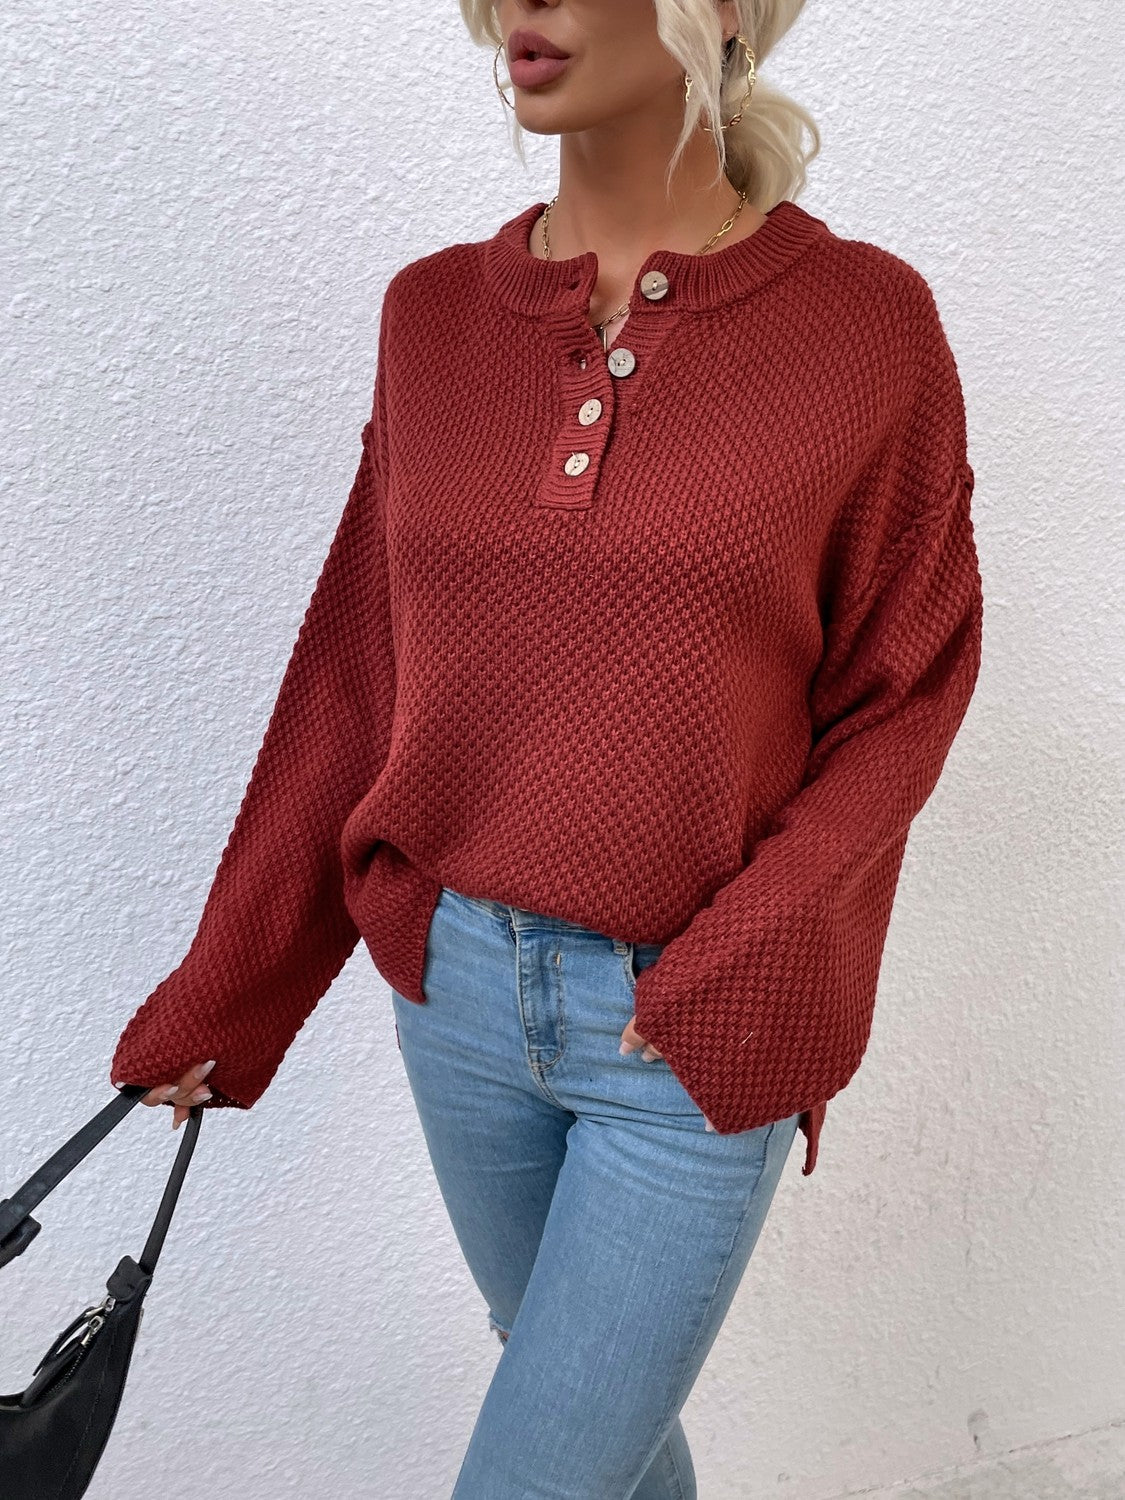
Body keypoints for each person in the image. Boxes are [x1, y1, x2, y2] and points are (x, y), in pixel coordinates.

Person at [109, 1, 984, 1494]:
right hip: (453, 997)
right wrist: (230, 982)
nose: (527, 5)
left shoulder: (865, 325)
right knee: (600, 1448)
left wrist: (737, 960)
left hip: (686, 1026)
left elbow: (904, 696)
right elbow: (358, 674)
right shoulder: (431, 317)